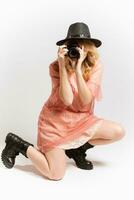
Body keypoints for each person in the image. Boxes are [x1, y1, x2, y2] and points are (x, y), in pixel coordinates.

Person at [1, 22, 126, 181]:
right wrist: (63, 66)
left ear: (88, 47)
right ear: (66, 46)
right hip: (55, 123)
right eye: (74, 45)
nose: (77, 50)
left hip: (82, 120)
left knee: (118, 131)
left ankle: (76, 150)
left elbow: (86, 99)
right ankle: (18, 144)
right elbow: (67, 100)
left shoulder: (95, 66)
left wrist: (79, 68)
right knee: (56, 174)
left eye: (82, 45)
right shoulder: (56, 66)